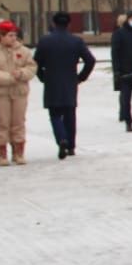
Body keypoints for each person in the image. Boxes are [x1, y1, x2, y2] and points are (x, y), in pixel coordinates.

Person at [33, 11, 96, 160]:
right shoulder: (76, 41)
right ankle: (71, 146)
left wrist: (42, 77)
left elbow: (35, 63)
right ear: (68, 24)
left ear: (53, 24)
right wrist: (81, 77)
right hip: (70, 82)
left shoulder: (45, 41)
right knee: (70, 114)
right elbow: (90, 60)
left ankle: (61, 139)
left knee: (55, 115)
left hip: (51, 82)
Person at [0, 19, 38, 165]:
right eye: (10, 35)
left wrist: (22, 73)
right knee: (0, 122)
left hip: (19, 92)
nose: (13, 38)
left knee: (18, 122)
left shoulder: (23, 51)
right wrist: (8, 77)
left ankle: (18, 152)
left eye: (14, 35)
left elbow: (32, 67)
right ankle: (0, 152)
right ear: (1, 36)